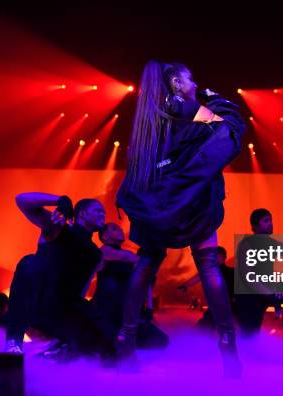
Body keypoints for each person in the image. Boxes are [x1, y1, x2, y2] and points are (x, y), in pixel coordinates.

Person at [115, 60, 245, 376]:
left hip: (156, 204)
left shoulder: (149, 120)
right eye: (190, 78)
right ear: (175, 82)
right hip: (191, 202)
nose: (194, 83)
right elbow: (229, 131)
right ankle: (227, 342)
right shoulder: (189, 109)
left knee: (146, 264)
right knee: (209, 266)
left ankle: (125, 337)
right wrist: (214, 98)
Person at [4, 193, 115, 357]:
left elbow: (82, 290)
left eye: (103, 212)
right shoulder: (60, 228)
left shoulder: (95, 254)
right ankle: (14, 338)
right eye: (98, 210)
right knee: (30, 263)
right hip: (39, 303)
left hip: (61, 310)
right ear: (82, 214)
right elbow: (21, 200)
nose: (102, 214)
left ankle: (60, 349)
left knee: (109, 348)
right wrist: (61, 200)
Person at [93, 222, 169, 349]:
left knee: (161, 340)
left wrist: (148, 309)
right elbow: (128, 258)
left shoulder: (127, 254)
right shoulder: (104, 251)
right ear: (105, 237)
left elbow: (145, 280)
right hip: (108, 311)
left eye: (119, 228)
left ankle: (124, 343)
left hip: (125, 311)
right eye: (115, 229)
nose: (120, 230)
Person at [234, 209, 283, 343]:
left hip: (269, 291)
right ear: (255, 226)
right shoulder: (246, 245)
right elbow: (248, 276)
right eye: (266, 221)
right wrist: (269, 292)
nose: (270, 224)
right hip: (250, 295)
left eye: (271, 220)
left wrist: (282, 282)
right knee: (250, 338)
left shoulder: (274, 244)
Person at [178, 246, 236, 329]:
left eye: (216, 255)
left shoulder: (231, 272)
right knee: (205, 327)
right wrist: (185, 285)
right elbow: (199, 277)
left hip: (228, 306)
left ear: (223, 257)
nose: (213, 258)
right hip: (218, 306)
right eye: (213, 256)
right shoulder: (211, 271)